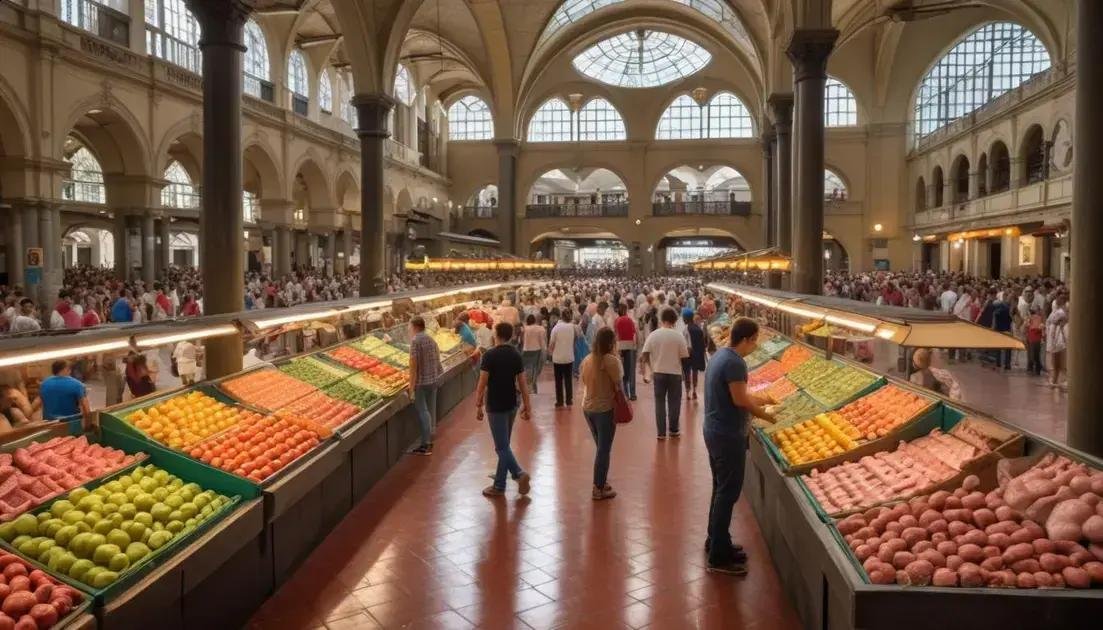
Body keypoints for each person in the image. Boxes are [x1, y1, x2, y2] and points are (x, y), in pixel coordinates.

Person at [702, 317, 775, 576]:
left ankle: (716, 541)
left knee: (719, 488)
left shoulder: (721, 355)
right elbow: (740, 400)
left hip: (714, 430)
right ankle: (718, 559)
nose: (756, 345)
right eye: (755, 340)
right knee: (728, 493)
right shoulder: (735, 363)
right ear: (747, 339)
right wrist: (769, 416)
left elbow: (742, 395)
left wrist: (762, 399)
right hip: (727, 435)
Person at [475, 322, 532, 497]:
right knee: (504, 445)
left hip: (495, 404)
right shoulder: (515, 354)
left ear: (497, 334)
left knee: (501, 447)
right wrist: (527, 405)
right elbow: (523, 382)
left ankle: (518, 473)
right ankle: (499, 485)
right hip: (511, 403)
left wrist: (478, 404)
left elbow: (482, 382)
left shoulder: (490, 355)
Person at [579, 327, 622, 500]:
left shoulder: (588, 359)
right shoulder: (611, 361)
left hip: (588, 407)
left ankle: (602, 480)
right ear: (611, 342)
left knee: (600, 446)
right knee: (604, 449)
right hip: (604, 408)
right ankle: (598, 487)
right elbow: (619, 384)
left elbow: (583, 380)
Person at [640, 307, 689, 439]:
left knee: (659, 402)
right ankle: (673, 429)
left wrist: (647, 369)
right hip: (675, 373)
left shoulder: (653, 335)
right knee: (674, 402)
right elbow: (685, 357)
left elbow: (644, 354)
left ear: (661, 319)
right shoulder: (678, 336)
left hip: (658, 372)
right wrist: (686, 375)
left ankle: (661, 433)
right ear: (674, 320)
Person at [408, 316, 443, 455]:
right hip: (433, 380)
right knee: (430, 410)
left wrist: (411, 388)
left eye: (409, 327)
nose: (409, 330)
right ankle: (429, 439)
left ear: (415, 327)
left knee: (423, 411)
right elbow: (438, 359)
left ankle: (425, 444)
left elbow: (413, 365)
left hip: (421, 382)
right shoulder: (431, 339)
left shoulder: (415, 341)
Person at [548, 314, 576, 407]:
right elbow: (575, 339)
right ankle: (569, 400)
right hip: (569, 357)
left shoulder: (555, 328)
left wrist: (550, 353)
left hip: (558, 359)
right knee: (568, 380)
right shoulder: (572, 327)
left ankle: (559, 401)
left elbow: (552, 343)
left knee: (558, 381)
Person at [613, 303, 638, 401]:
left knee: (623, 371)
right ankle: (633, 394)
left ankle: (625, 394)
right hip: (631, 346)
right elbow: (634, 333)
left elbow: (616, 335)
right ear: (625, 310)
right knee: (631, 371)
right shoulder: (630, 320)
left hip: (620, 346)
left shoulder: (617, 321)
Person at [682, 309, 707, 400]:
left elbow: (685, 343)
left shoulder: (685, 329)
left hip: (687, 354)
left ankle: (687, 392)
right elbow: (702, 345)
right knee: (695, 372)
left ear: (685, 318)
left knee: (687, 373)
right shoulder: (698, 330)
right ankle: (694, 391)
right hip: (696, 355)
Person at [1045, 295, 1068, 388]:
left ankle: (1057, 380)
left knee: (1057, 361)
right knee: (1056, 361)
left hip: (1057, 339)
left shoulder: (1059, 312)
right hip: (1056, 339)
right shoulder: (1057, 312)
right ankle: (1055, 380)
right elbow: (1052, 323)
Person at [520, 314, 546, 394]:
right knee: (535, 368)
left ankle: (527, 385)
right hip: (536, 350)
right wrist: (544, 350)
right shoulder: (540, 329)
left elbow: (521, 340)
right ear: (535, 320)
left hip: (526, 350)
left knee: (526, 368)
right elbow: (542, 341)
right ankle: (533, 385)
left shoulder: (524, 329)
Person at [1025, 305, 1045, 376]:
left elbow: (1027, 326)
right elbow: (1027, 326)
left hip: (1035, 337)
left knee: (1034, 354)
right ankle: (1035, 369)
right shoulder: (1032, 318)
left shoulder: (1039, 318)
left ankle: (1035, 368)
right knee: (1033, 354)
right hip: (1032, 337)